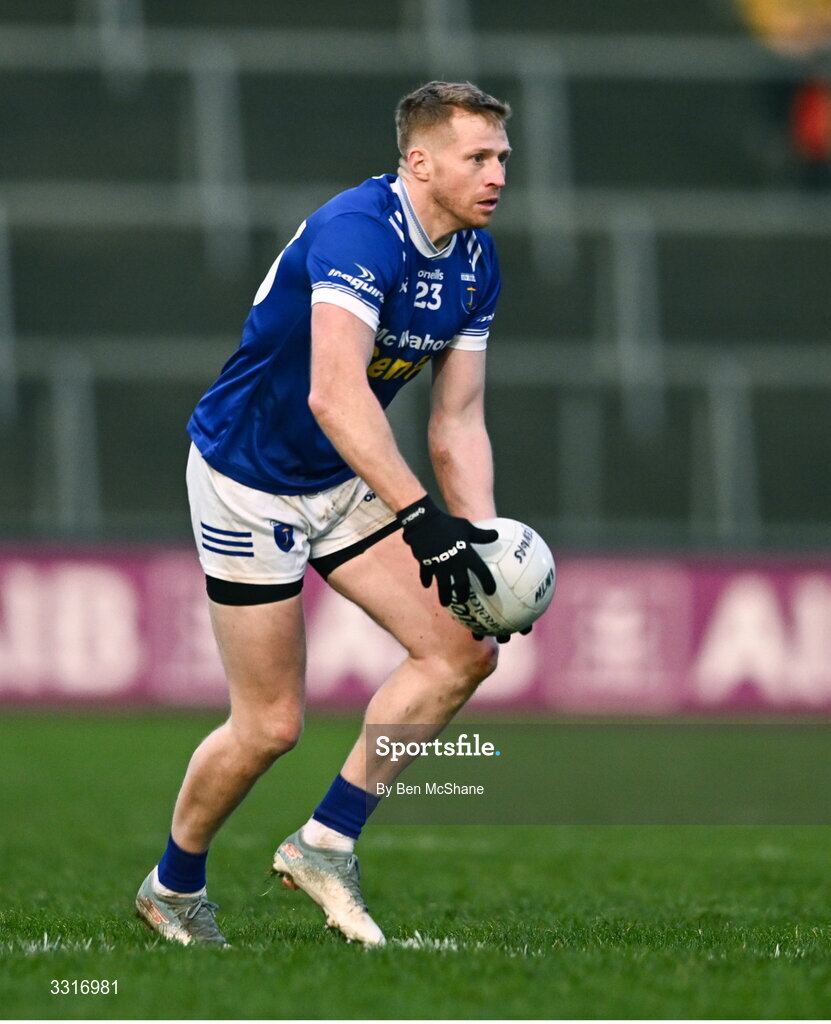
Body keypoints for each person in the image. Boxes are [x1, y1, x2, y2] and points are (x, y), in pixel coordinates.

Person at [135, 80, 513, 948]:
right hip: (248, 475)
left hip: (344, 478)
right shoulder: (357, 233)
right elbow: (335, 394)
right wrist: (425, 522)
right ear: (419, 161)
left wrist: (482, 545)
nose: (496, 175)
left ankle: (324, 842)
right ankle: (173, 885)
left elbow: (457, 423)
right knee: (269, 725)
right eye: (478, 158)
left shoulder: (475, 261)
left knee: (462, 649)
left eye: (501, 158)